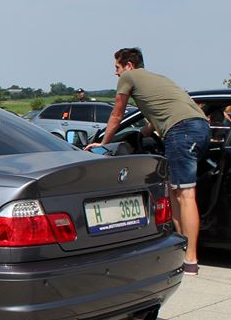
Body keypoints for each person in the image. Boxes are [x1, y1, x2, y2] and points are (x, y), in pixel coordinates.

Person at [85, 48, 209, 275]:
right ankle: (181, 246)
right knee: (174, 190)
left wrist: (103, 143)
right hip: (200, 128)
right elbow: (168, 106)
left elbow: (117, 115)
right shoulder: (158, 79)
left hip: (181, 132)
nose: (116, 73)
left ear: (129, 65)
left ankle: (190, 260)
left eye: (117, 67)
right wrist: (148, 129)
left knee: (186, 195)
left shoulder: (129, 77)